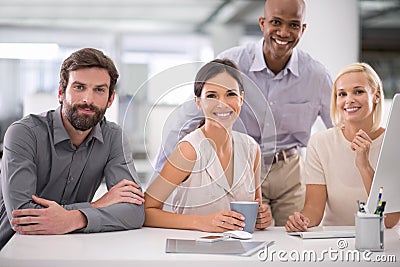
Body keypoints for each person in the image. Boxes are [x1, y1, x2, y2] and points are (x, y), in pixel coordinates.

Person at [152, 0, 333, 226]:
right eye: (276, 22)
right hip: (239, 166)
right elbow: (184, 119)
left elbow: (337, 132)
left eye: (294, 25)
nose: (284, 32)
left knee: (293, 236)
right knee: (241, 233)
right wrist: (163, 177)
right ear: (262, 23)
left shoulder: (316, 75)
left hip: (289, 169)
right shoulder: (234, 62)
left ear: (302, 29)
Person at [0, 48, 145, 250]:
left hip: (69, 250)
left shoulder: (114, 137)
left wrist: (73, 219)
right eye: (79, 87)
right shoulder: (24, 133)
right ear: (61, 92)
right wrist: (96, 206)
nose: (88, 99)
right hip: (12, 249)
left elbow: (135, 211)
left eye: (99, 90)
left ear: (111, 99)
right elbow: (23, 216)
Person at [144, 59, 272, 232]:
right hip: (194, 252)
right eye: (212, 95)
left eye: (231, 94)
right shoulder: (188, 151)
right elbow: (146, 211)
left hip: (240, 253)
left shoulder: (251, 148)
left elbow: (256, 207)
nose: (222, 103)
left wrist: (262, 217)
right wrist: (201, 223)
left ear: (241, 98)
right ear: (198, 102)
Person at [285, 63, 400, 232]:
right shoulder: (320, 143)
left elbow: (390, 219)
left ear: (376, 96)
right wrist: (301, 221)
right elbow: (314, 210)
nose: (349, 99)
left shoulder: (393, 142)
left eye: (358, 91)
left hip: (382, 240)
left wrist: (365, 167)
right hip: (334, 240)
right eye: (342, 94)